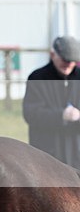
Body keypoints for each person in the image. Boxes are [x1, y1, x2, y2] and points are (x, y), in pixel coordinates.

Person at [23, 36, 80, 169]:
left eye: (72, 61)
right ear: (52, 54)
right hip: (47, 155)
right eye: (65, 60)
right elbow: (31, 114)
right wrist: (61, 115)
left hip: (77, 154)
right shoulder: (37, 78)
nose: (68, 64)